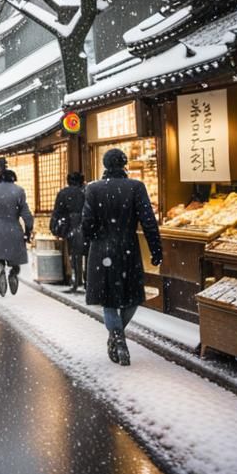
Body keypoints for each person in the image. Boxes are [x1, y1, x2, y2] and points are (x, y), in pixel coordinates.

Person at [83, 148, 162, 366]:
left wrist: (91, 239)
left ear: (105, 165)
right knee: (132, 296)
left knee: (109, 299)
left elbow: (87, 223)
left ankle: (116, 335)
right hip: (128, 247)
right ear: (124, 164)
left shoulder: (93, 189)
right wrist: (156, 250)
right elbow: (148, 221)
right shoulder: (136, 187)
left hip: (101, 250)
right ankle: (118, 333)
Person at [0, 168, 33, 297]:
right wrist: (29, 229)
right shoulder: (18, 191)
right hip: (13, 227)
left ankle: (1, 270)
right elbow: (26, 213)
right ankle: (14, 272)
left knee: (0, 254)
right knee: (15, 256)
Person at [51, 172, 88, 293]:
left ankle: (76, 280)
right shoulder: (87, 192)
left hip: (70, 225)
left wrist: (55, 227)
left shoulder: (63, 193)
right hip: (86, 224)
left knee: (74, 254)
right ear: (81, 181)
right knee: (87, 254)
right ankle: (87, 280)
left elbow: (57, 211)